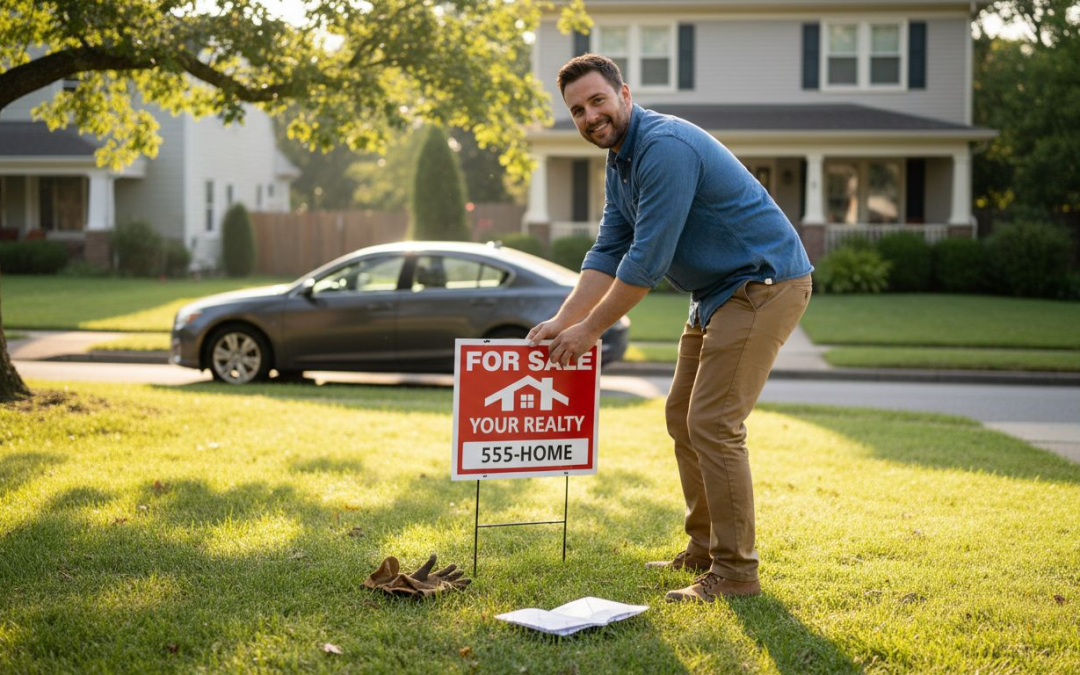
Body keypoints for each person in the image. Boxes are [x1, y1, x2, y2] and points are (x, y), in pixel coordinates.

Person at [527, 54, 813, 602]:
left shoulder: (663, 149)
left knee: (713, 421)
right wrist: (564, 319)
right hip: (716, 294)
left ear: (625, 95)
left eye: (597, 101)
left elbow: (646, 263)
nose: (590, 116)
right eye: (577, 110)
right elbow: (610, 248)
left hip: (763, 284)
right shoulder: (621, 162)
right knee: (682, 417)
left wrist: (589, 331)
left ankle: (735, 575)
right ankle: (703, 550)